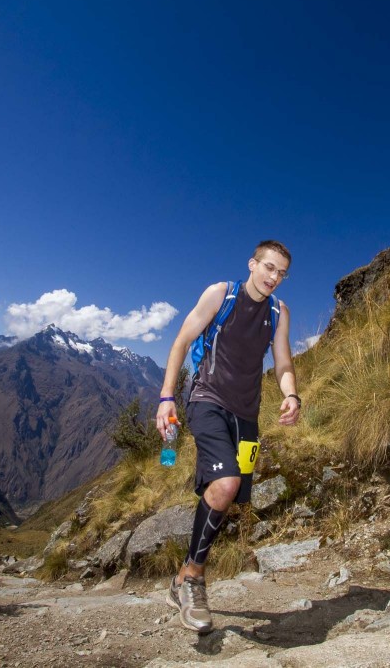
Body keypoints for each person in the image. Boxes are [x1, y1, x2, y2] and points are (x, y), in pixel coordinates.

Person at [156, 239, 301, 634]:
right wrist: (167, 397)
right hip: (207, 399)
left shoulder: (278, 311)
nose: (274, 277)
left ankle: (183, 575)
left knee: (230, 498)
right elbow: (182, 340)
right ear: (253, 264)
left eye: (282, 273)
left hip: (246, 418)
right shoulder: (221, 294)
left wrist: (291, 394)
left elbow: (283, 360)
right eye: (269, 267)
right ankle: (194, 580)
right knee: (225, 482)